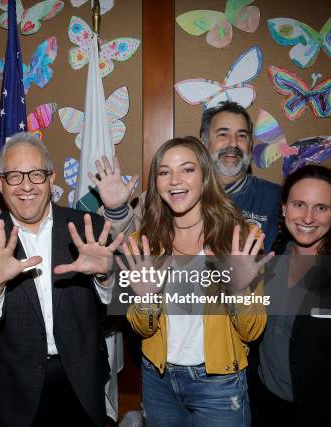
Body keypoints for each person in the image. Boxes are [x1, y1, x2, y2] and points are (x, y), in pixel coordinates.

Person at [0, 132, 123, 427]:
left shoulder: (90, 229)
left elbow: (125, 308)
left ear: (51, 178)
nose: (26, 185)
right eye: (14, 176)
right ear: (0, 182)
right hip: (9, 392)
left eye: (36, 174)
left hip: (80, 384)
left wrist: (106, 277)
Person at [120, 137, 270, 426]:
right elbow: (141, 328)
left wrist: (238, 289)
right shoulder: (144, 245)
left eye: (187, 169)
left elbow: (252, 332)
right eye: (164, 172)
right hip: (158, 379)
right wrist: (146, 298)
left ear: (205, 175)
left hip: (218, 383)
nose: (174, 180)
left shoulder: (238, 240)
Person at [95, 101, 281, 252]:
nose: (233, 143)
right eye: (223, 134)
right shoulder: (166, 196)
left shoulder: (276, 198)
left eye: (242, 136)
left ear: (250, 144)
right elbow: (131, 249)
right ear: (203, 142)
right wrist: (116, 209)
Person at [251, 165, 331, 426]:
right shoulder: (264, 263)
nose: (308, 218)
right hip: (264, 406)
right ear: (284, 208)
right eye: (299, 204)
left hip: (326, 412)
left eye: (321, 207)